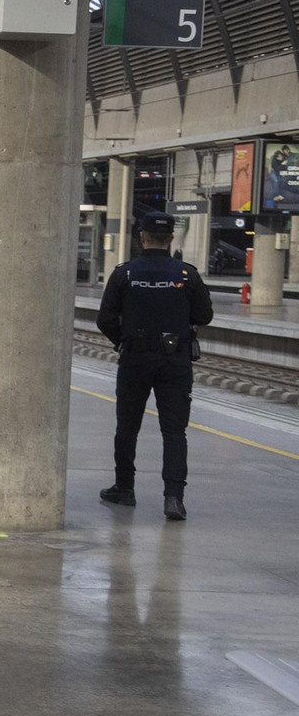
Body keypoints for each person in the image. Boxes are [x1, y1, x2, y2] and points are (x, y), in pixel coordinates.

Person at [97, 211, 214, 521]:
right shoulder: (187, 275)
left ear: (142, 237)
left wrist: (122, 340)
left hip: (135, 359)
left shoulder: (125, 273)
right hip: (175, 361)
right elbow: (204, 316)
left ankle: (124, 488)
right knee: (175, 432)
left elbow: (104, 318)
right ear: (171, 239)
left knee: (127, 427)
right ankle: (173, 500)